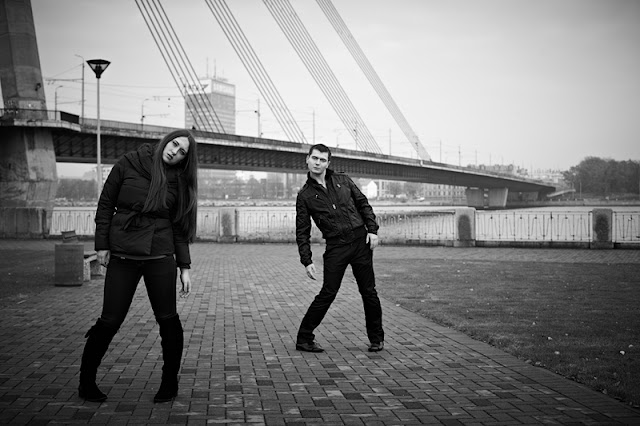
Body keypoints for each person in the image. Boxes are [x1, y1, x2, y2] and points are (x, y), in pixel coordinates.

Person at [78, 129, 198, 403]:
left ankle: (169, 383)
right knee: (110, 320)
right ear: (166, 140)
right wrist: (102, 245)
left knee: (168, 319)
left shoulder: (179, 180)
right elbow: (106, 205)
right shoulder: (129, 162)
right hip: (124, 254)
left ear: (184, 160)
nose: (175, 152)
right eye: (174, 144)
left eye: (182, 152)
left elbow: (179, 227)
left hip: (159, 255)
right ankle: (86, 382)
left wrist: (185, 267)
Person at [295, 144, 384, 353]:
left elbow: (363, 204)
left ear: (328, 163)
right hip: (336, 247)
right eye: (314, 158)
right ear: (307, 159)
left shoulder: (343, 180)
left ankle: (376, 339)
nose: (318, 163)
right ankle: (304, 338)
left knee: (369, 292)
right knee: (328, 292)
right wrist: (307, 260)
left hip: (360, 242)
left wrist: (372, 230)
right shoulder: (305, 195)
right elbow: (302, 231)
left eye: (322, 160)